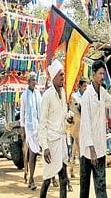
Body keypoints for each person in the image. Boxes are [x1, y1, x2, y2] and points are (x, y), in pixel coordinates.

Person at [79, 60, 111, 198]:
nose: (103, 76)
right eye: (100, 73)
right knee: (84, 187)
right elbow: (85, 124)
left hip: (100, 147)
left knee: (101, 186)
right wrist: (91, 150)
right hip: (88, 149)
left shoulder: (102, 92)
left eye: (104, 73)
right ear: (93, 75)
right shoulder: (86, 96)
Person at [39, 59, 71, 198]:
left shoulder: (63, 93)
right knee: (47, 179)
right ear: (53, 77)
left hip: (61, 140)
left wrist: (68, 117)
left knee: (63, 178)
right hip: (51, 143)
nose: (63, 78)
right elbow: (42, 124)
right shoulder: (47, 96)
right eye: (60, 75)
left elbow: (64, 113)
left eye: (63, 75)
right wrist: (44, 147)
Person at [20, 72, 42, 190]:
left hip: (39, 127)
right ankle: (32, 180)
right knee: (32, 154)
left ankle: (30, 178)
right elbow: (22, 113)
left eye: (35, 80)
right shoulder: (24, 95)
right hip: (29, 128)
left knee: (36, 153)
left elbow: (42, 110)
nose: (35, 82)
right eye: (33, 80)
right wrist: (23, 129)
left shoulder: (38, 94)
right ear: (28, 82)